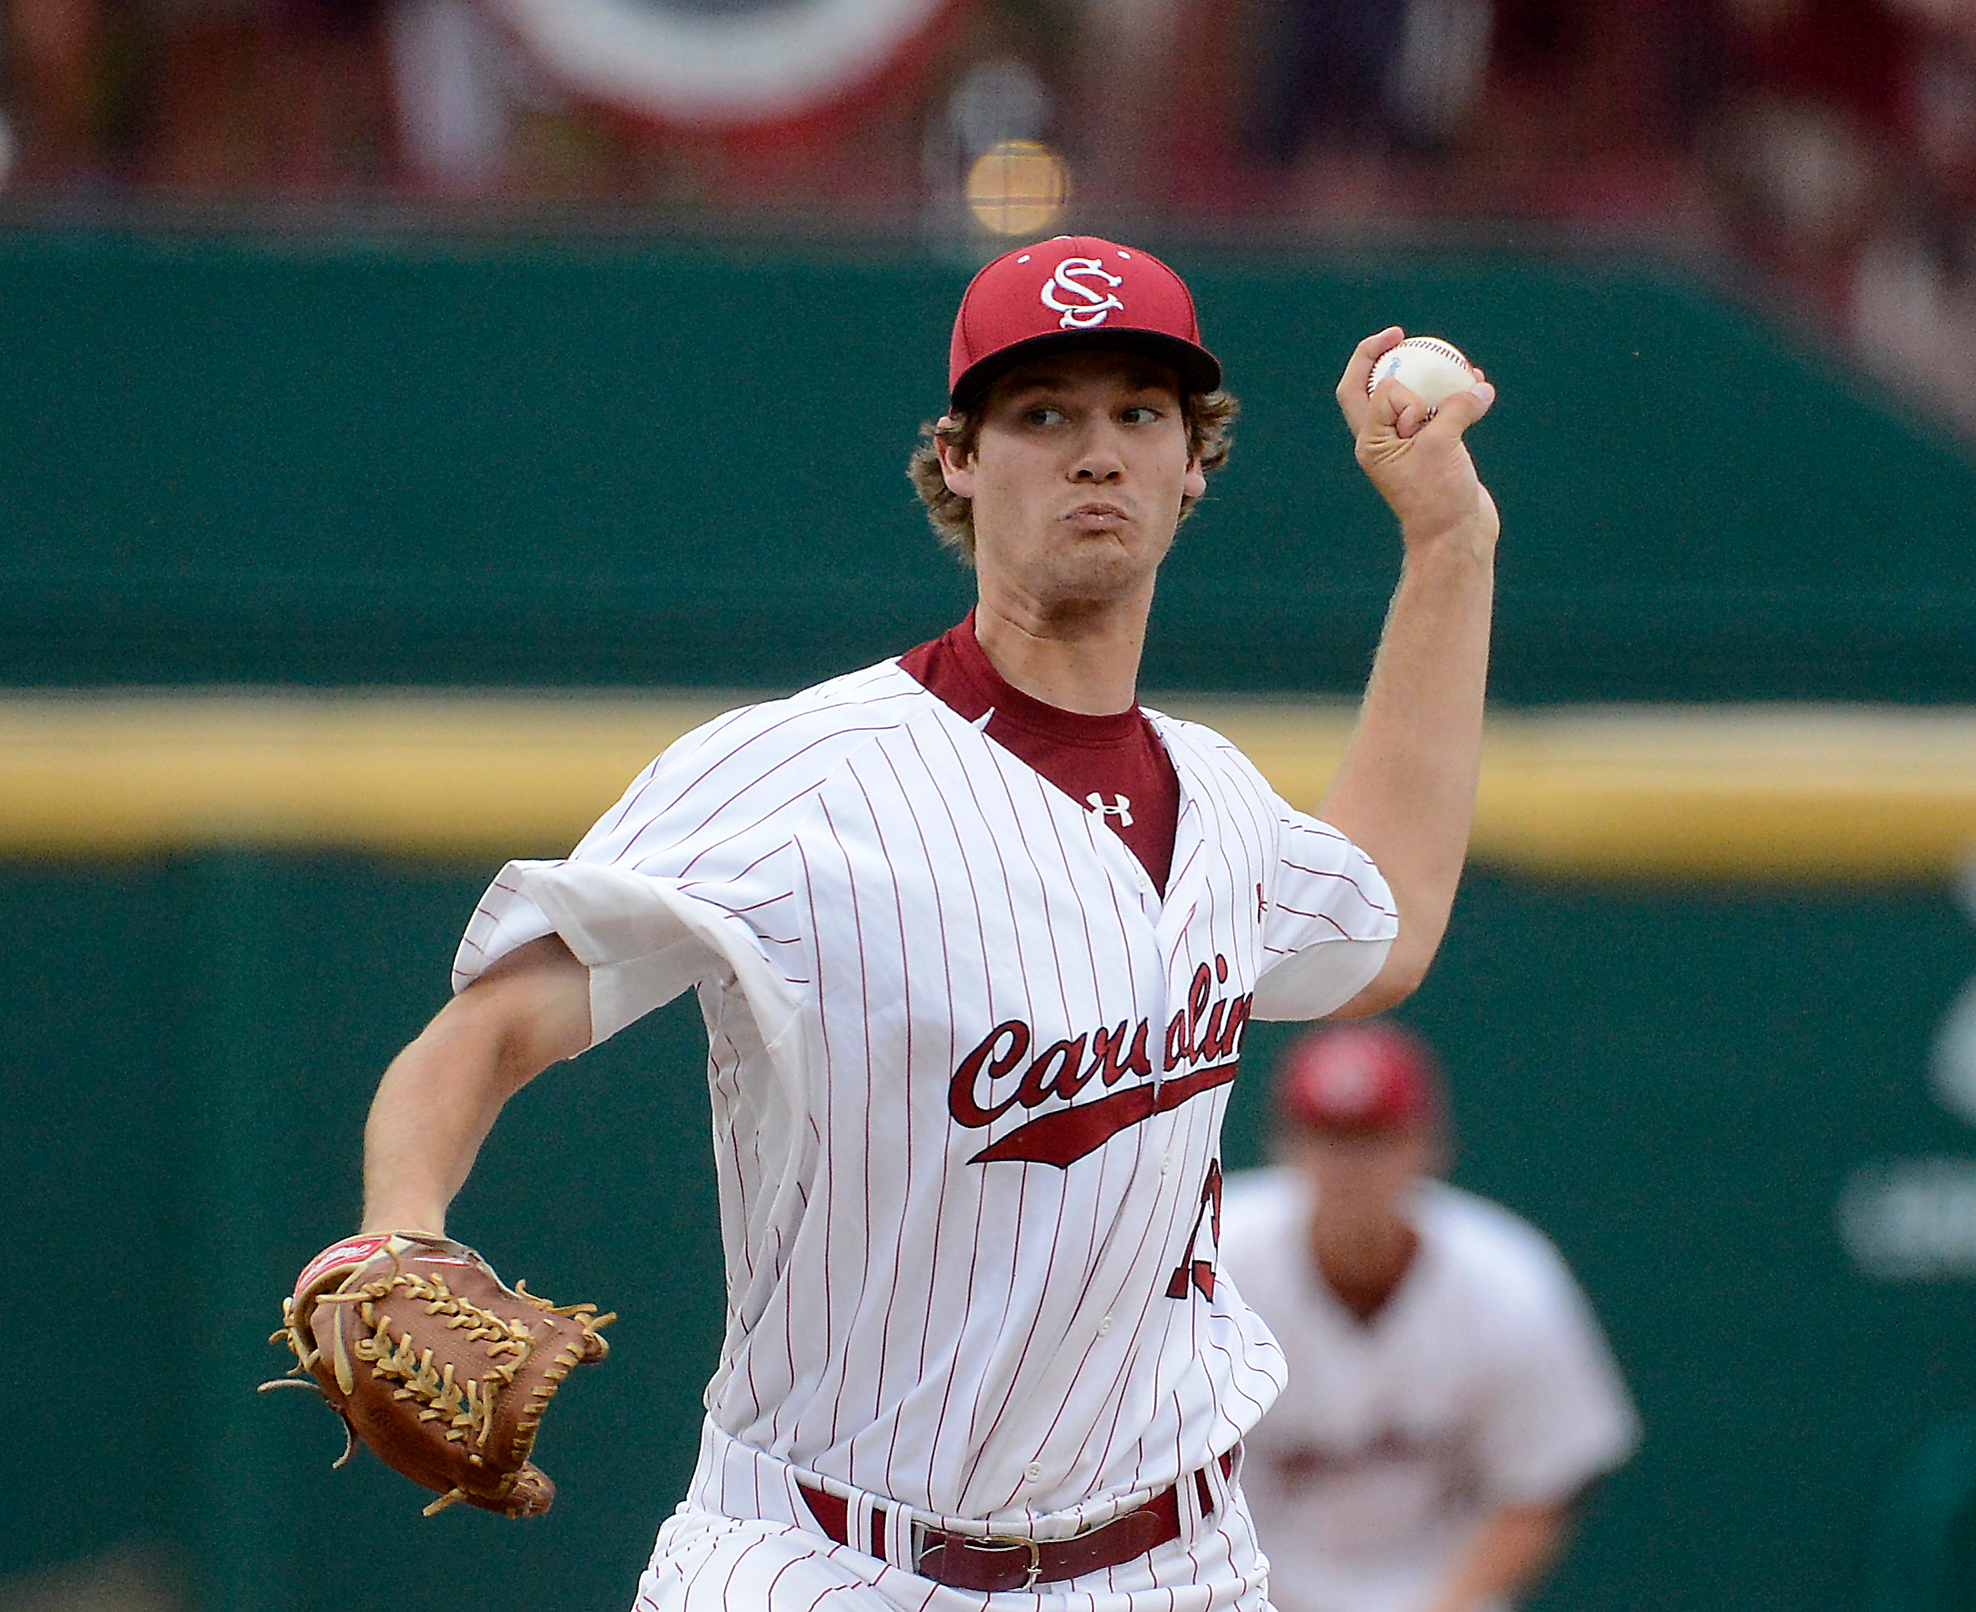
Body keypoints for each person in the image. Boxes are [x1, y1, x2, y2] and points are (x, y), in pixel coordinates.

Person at [343, 235, 1500, 1608]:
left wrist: (1449, 541)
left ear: (1197, 463)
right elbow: (487, 1034)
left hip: (1177, 1565)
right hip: (832, 1559)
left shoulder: (1221, 801)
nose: (1096, 451)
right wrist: (392, 1230)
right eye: (1043, 413)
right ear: (957, 458)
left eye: (1140, 411)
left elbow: (1391, 920)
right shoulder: (796, 776)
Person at [1220, 1020, 1640, 1612]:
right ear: (1285, 1145)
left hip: (1440, 1593)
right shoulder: (1217, 1262)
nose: (1348, 1167)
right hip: (1242, 1589)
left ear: (1428, 1144)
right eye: (1328, 1138)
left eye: (1374, 1140)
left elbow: (1546, 1484)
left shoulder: (1508, 1280)